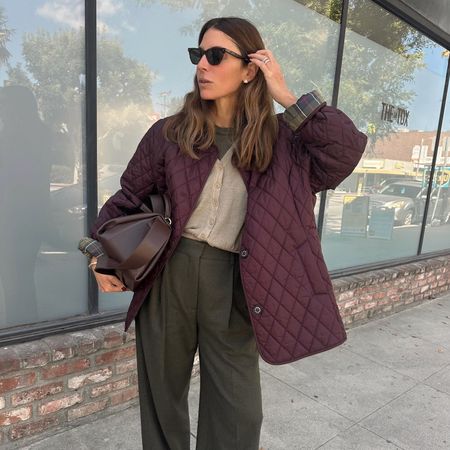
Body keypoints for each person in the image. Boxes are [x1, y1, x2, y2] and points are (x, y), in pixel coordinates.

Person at [79, 16, 368, 450]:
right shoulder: (171, 133)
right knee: (162, 397)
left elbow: (344, 152)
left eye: (216, 56)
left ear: (251, 68)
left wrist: (286, 95)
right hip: (169, 277)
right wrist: (96, 252)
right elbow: (127, 198)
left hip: (238, 281)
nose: (203, 66)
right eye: (199, 56)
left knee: (239, 412)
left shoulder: (285, 142)